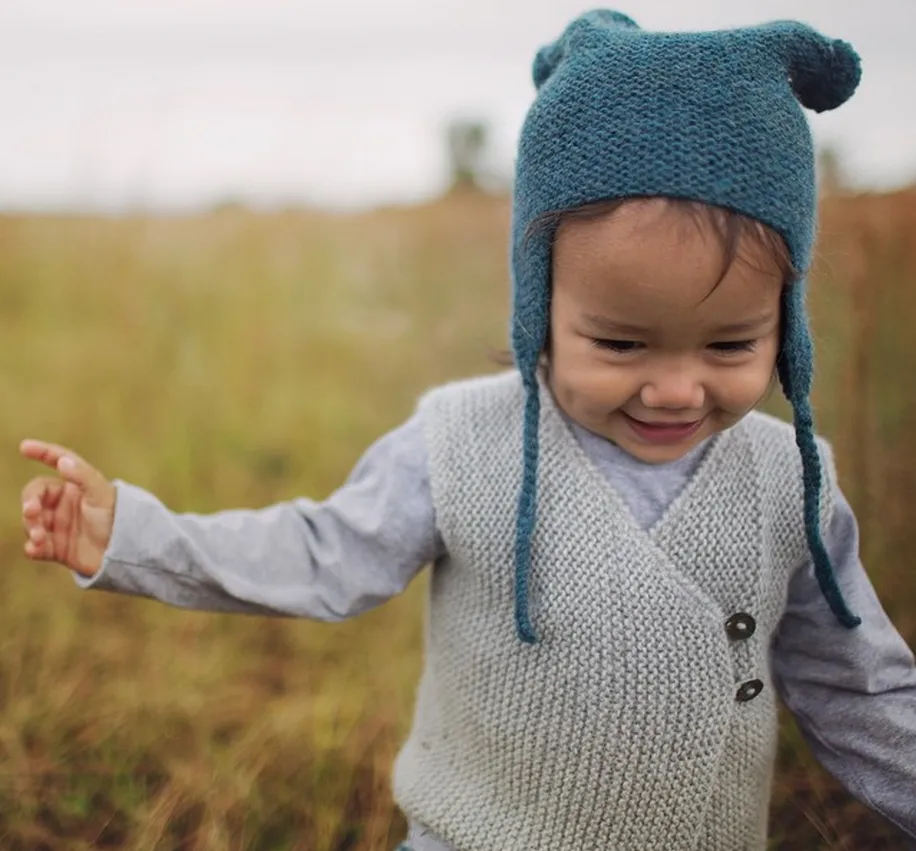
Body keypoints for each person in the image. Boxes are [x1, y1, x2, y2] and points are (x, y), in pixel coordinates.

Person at [18, 10, 916, 851]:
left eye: (731, 343)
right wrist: (132, 535)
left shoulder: (785, 479)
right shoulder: (462, 444)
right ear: (540, 305)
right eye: (619, 342)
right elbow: (324, 552)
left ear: (785, 324)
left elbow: (857, 685)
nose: (676, 388)